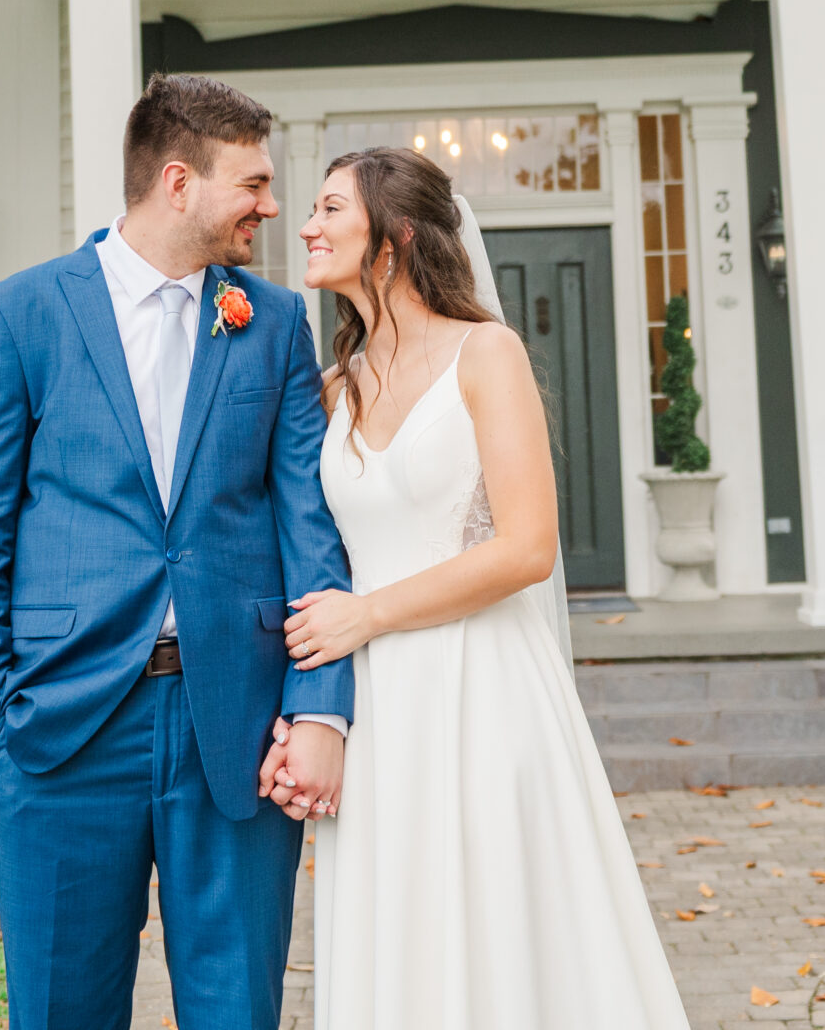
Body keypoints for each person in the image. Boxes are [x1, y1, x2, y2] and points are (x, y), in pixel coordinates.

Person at [0, 73, 354, 1030]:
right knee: (61, 1009)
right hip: (58, 727)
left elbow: (308, 526)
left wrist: (319, 708)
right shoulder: (17, 315)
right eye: (251, 183)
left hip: (238, 727)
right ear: (178, 181)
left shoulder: (275, 322)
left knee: (238, 1008)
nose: (272, 205)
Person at [271, 146, 691, 1030]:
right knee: (404, 926)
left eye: (329, 208)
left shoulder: (485, 355)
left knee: (498, 917)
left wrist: (368, 614)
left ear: (393, 239)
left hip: (481, 683)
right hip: (377, 701)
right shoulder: (328, 389)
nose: (306, 224)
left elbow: (529, 546)